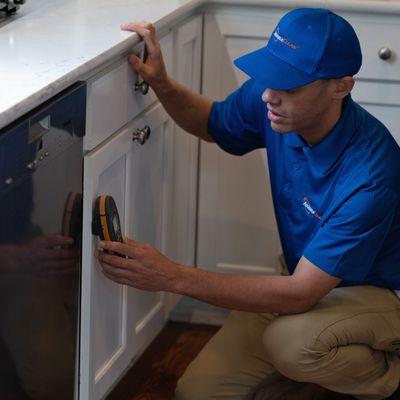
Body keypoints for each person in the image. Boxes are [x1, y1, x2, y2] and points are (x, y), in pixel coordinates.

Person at [95, 8, 400, 400]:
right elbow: (212, 122)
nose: (269, 94)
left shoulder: (370, 176)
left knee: (291, 344)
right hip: (304, 277)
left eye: (290, 85)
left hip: (380, 294)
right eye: (270, 75)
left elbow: (300, 294)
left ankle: (388, 378)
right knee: (198, 393)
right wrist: (162, 83)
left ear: (340, 87)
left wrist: (171, 276)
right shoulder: (273, 100)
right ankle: (306, 377)